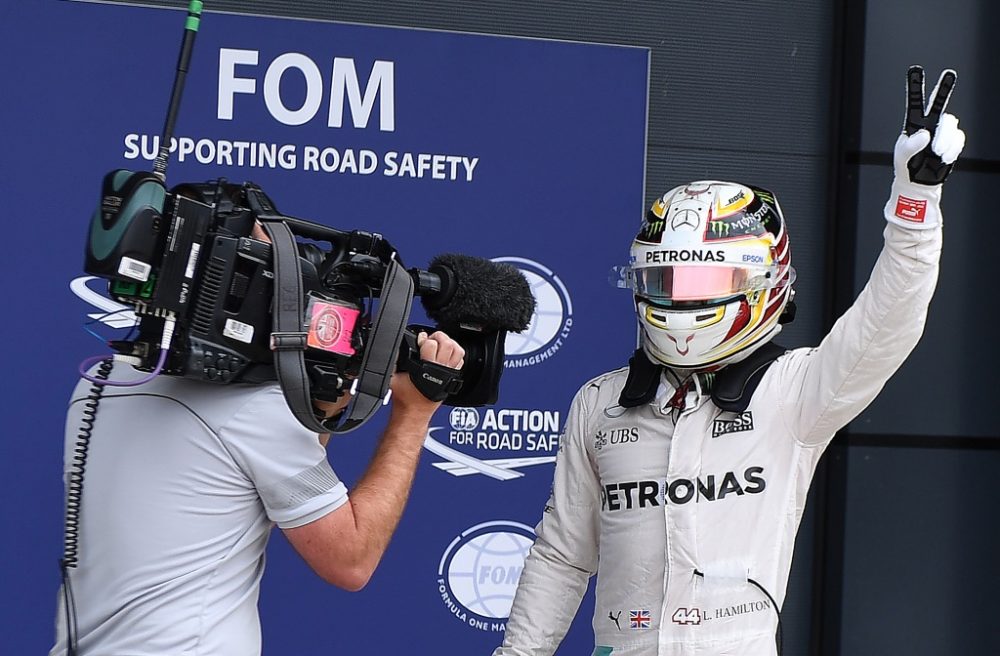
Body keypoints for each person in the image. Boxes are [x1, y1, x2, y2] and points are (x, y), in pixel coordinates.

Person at [493, 66, 966, 656]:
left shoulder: (793, 393)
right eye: (670, 279)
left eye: (708, 280)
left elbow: (887, 323)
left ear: (766, 283)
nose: (687, 297)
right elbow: (562, 556)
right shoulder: (600, 403)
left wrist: (915, 203)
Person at [51, 326, 464, 655]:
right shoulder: (257, 411)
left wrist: (315, 410)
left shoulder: (101, 381)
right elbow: (351, 560)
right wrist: (414, 413)